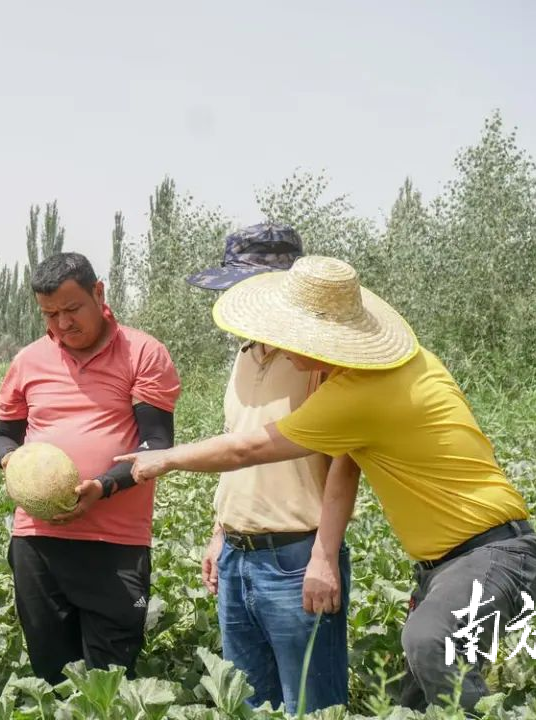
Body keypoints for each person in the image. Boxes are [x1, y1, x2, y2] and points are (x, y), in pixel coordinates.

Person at [117, 255, 536, 712]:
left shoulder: (361, 392)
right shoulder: (399, 367)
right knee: (414, 704)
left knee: (428, 641)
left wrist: (165, 458)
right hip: (448, 564)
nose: (284, 349)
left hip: (493, 555)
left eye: (293, 338)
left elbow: (249, 449)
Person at [0, 252, 181, 685]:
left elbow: (157, 444)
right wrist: (11, 460)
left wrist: (102, 486)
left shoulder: (143, 352)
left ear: (99, 293)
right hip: (37, 542)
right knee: (50, 674)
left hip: (114, 542)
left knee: (109, 680)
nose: (62, 324)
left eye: (72, 309)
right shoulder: (28, 360)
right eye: (49, 314)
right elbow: (0, 437)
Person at [186, 223, 355, 712]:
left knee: (310, 704)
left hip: (296, 557)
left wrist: (324, 556)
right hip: (238, 556)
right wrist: (220, 530)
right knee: (248, 703)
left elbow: (346, 461)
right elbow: (237, 447)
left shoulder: (321, 360)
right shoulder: (244, 354)